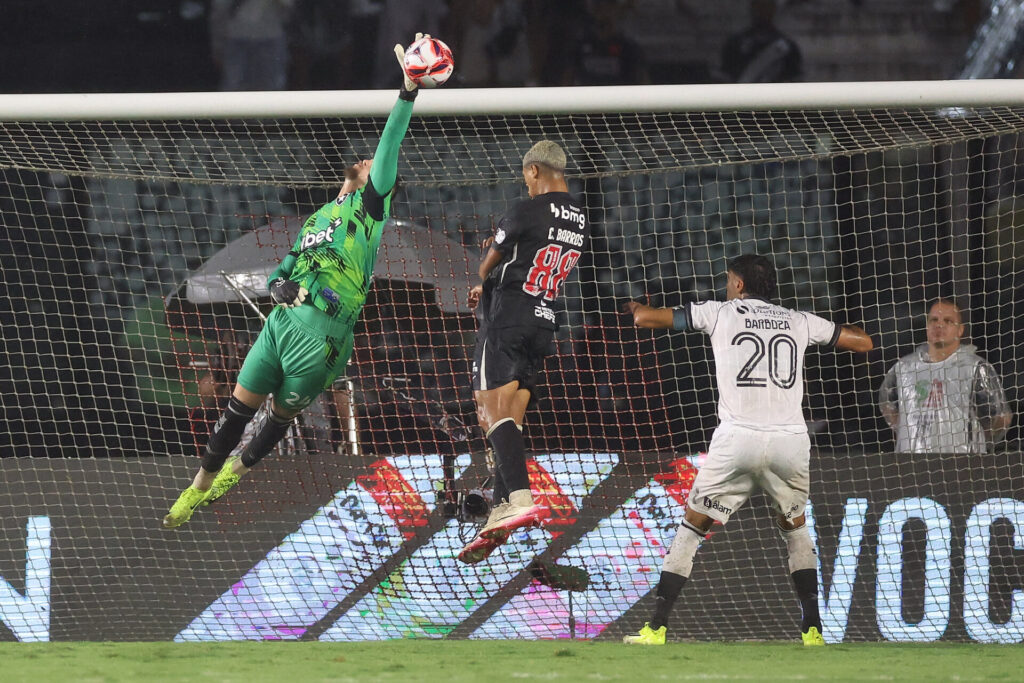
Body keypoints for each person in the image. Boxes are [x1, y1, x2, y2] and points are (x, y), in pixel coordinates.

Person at [163, 33, 432, 529]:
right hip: (281, 324)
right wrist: (278, 287)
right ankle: (196, 488)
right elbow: (283, 271)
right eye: (368, 162)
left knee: (279, 418)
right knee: (237, 409)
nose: (372, 162)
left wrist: (408, 91)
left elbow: (391, 140)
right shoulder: (317, 219)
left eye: (377, 165)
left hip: (323, 335)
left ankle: (234, 476)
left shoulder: (370, 213)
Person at [620, 254, 874, 646]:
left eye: (728, 280)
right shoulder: (799, 320)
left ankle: (656, 628)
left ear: (739, 285)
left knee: (692, 528)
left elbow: (647, 320)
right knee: (795, 529)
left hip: (737, 439)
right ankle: (812, 630)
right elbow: (862, 342)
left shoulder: (719, 313)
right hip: (790, 442)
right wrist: (839, 330)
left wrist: (636, 308)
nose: (726, 286)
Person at [456, 140, 590, 564]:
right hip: (544, 320)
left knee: (487, 410)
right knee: (510, 417)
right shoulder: (581, 218)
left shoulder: (525, 209)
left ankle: (517, 498)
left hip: (508, 318)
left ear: (534, 170)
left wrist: (483, 273)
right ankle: (501, 506)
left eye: (525, 177)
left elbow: (486, 264)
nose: (526, 184)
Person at [878, 298, 1012, 454]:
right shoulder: (904, 368)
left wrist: (976, 443)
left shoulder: (974, 367)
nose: (939, 325)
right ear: (927, 325)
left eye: (948, 321)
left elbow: (1000, 418)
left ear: (960, 330)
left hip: (962, 463)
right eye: (934, 319)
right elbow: (887, 405)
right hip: (911, 465)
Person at [719, 0, 802, 83]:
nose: (762, 10)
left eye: (767, 6)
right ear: (752, 7)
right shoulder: (734, 44)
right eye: (759, 5)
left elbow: (794, 83)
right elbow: (726, 80)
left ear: (773, 9)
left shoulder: (788, 48)